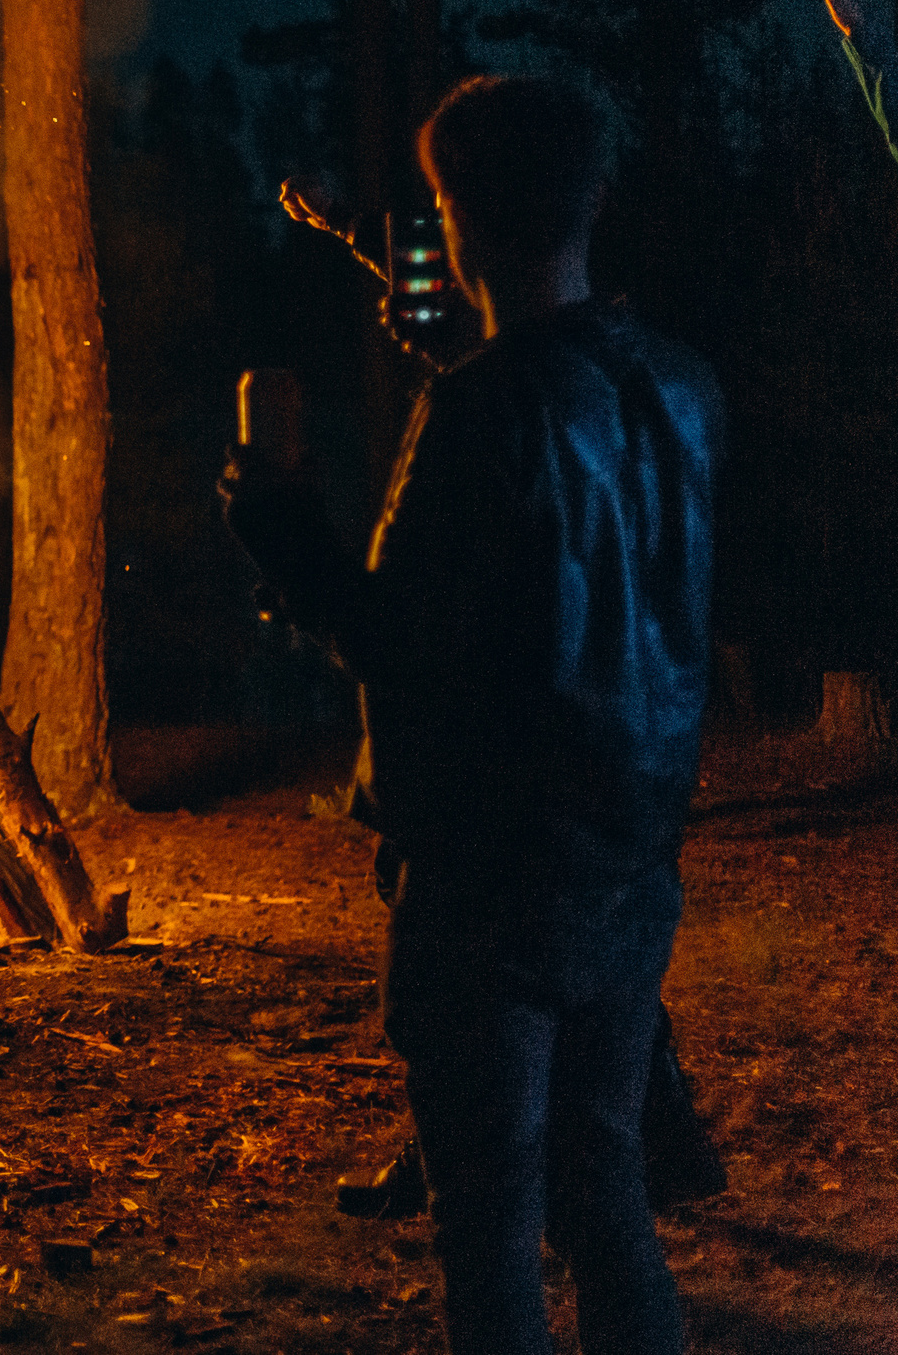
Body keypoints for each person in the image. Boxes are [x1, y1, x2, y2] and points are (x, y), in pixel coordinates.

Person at [222, 75, 717, 1355]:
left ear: (458, 223)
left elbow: (401, 643)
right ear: (591, 198)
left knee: (491, 1222)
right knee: (602, 1185)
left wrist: (277, 524)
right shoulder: (679, 383)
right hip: (630, 857)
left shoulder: (477, 414)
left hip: (490, 885)